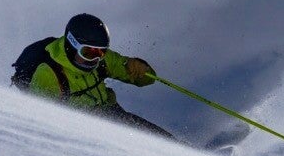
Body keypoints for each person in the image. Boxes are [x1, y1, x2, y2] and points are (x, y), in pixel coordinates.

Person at [19, 13, 174, 139]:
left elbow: (145, 80)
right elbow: (40, 120)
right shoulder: (48, 74)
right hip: (82, 130)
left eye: (101, 52)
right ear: (71, 45)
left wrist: (141, 69)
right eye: (88, 53)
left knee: (164, 141)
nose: (95, 59)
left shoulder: (101, 60)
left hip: (113, 115)